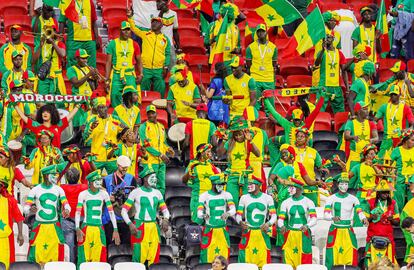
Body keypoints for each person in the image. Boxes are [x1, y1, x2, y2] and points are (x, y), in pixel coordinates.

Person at [121, 168, 170, 265]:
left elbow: (165, 210)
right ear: (145, 178)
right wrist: (130, 224)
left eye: (155, 177)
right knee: (138, 258)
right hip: (139, 226)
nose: (155, 179)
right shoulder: (135, 192)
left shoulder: (158, 193)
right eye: (152, 177)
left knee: (154, 258)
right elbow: (123, 211)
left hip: (153, 227)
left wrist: (166, 219)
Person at [24, 165, 71, 265]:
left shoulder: (59, 189)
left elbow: (66, 204)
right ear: (46, 175)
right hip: (40, 226)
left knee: (56, 252)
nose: (55, 176)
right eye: (53, 174)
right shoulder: (35, 190)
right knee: (37, 252)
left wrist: (67, 209)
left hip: (54, 226)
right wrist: (30, 209)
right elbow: (26, 208)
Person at [76, 170, 121, 266]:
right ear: (91, 182)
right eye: (97, 179)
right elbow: (78, 212)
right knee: (83, 257)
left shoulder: (104, 194)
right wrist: (77, 228)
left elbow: (111, 212)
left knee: (100, 257)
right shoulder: (83, 194)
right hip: (86, 228)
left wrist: (115, 229)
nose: (100, 182)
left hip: (99, 228)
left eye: (100, 179)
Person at [324, 173, 369, 269]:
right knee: (333, 252)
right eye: (342, 183)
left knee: (350, 251)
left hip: (348, 230)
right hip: (335, 229)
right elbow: (326, 214)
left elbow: (359, 211)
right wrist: (332, 217)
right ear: (338, 184)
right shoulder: (331, 198)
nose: (344, 186)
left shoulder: (353, 199)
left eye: (346, 183)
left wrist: (363, 218)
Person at [127, 9, 170, 98]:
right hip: (146, 68)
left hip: (159, 70)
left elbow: (167, 54)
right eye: (152, 22)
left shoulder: (165, 39)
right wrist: (130, 17)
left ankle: (159, 108)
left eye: (156, 22)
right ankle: (143, 105)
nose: (154, 24)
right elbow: (134, 28)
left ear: (161, 25)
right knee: (143, 91)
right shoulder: (145, 34)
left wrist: (165, 67)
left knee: (160, 91)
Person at [217, 118, 260, 206]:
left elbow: (258, 154)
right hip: (232, 175)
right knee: (232, 200)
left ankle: (244, 217)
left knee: (247, 200)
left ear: (244, 133)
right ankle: (233, 218)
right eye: (235, 135)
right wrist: (224, 140)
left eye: (240, 134)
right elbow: (219, 154)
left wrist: (250, 141)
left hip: (245, 175)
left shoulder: (248, 142)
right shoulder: (229, 143)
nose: (238, 137)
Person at [236, 177, 276, 268]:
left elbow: (274, 216)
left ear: (258, 185)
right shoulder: (244, 197)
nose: (248, 186)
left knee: (263, 259)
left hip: (262, 232)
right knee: (245, 260)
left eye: (251, 184)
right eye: (248, 184)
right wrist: (240, 222)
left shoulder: (268, 198)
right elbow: (238, 215)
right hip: (248, 232)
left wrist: (268, 224)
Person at [278, 178, 317, 268]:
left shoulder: (308, 202)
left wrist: (307, 225)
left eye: (292, 187)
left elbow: (314, 218)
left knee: (304, 260)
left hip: (303, 234)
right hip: (290, 234)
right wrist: (282, 226)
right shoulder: (285, 202)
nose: (289, 189)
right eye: (289, 187)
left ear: (299, 188)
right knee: (288, 259)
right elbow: (280, 219)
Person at [197, 174, 235, 263]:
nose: (221, 186)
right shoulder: (204, 195)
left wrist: (228, 213)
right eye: (219, 185)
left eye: (222, 185)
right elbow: (199, 212)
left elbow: (233, 209)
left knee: (224, 255)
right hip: (209, 229)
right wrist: (203, 215)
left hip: (222, 229)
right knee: (206, 254)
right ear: (213, 184)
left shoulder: (227, 194)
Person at [105, 21, 143, 108]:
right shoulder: (113, 43)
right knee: (114, 95)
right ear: (120, 31)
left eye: (128, 30)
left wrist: (141, 74)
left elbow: (139, 61)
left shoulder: (134, 44)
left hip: (129, 74)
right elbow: (108, 62)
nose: (126, 32)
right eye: (124, 30)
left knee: (133, 95)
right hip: (116, 74)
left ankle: (132, 115)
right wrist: (107, 79)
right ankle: (117, 115)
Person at [139, 105, 174, 196]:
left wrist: (168, 149)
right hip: (150, 161)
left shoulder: (161, 126)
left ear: (156, 114)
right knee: (150, 185)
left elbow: (164, 142)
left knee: (161, 185)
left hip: (161, 162)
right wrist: (160, 155)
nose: (150, 115)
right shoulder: (144, 127)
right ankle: (150, 204)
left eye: (152, 113)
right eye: (148, 113)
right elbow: (146, 145)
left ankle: (160, 205)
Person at [83, 97, 124, 174]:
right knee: (94, 179)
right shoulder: (92, 121)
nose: (101, 110)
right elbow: (84, 137)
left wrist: (119, 139)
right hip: (97, 157)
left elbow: (126, 130)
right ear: (97, 110)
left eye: (103, 107)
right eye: (99, 108)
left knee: (114, 180)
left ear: (107, 107)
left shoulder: (115, 119)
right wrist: (91, 128)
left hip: (112, 157)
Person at [102, 155, 137, 245]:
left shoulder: (131, 179)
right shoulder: (106, 179)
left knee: (126, 245)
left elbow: (136, 197)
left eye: (126, 167)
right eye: (122, 167)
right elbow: (101, 196)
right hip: (110, 217)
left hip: (126, 217)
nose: (125, 169)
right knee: (111, 244)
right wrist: (107, 197)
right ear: (117, 165)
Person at [365, 180, 400, 267]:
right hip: (372, 236)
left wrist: (391, 220)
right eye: (383, 193)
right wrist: (371, 218)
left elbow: (397, 222)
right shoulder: (370, 202)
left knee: (389, 263)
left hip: (388, 237)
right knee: (371, 262)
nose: (386, 195)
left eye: (387, 193)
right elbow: (364, 221)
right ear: (378, 193)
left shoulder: (393, 203)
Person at [14, 103, 81, 148]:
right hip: (40, 159)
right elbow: (23, 117)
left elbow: (70, 116)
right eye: (43, 112)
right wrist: (15, 105)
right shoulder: (36, 125)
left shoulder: (58, 125)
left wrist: (78, 105)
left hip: (55, 158)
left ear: (52, 114)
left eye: (48, 112)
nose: (45, 113)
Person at [375, 85, 414, 159]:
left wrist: (408, 129)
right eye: (391, 94)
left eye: (395, 94)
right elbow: (375, 119)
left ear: (399, 94)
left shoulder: (405, 107)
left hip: (400, 139)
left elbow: (412, 123)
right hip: (387, 138)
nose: (393, 96)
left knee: (399, 160)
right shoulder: (384, 107)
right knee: (381, 160)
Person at [183, 144, 220, 222]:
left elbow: (218, 178)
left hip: (210, 199)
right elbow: (184, 180)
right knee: (197, 223)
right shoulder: (193, 164)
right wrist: (188, 174)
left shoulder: (210, 165)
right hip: (198, 199)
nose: (210, 153)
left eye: (211, 151)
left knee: (210, 224)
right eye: (208, 151)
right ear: (201, 152)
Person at [58, 0, 100, 67]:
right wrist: (60, 37)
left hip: (89, 41)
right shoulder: (67, 2)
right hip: (73, 41)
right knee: (72, 67)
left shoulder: (90, 2)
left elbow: (94, 21)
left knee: (91, 67)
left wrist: (97, 38)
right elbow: (62, 21)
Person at [245, 24, 277, 110]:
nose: (260, 33)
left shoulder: (273, 47)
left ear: (266, 32)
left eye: (262, 31)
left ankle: (270, 122)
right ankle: (254, 121)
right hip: (255, 78)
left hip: (268, 79)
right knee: (255, 103)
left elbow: (274, 64)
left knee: (270, 106)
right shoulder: (250, 47)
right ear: (256, 33)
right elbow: (248, 64)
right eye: (258, 32)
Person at [314, 33, 349, 113]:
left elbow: (344, 70)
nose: (327, 39)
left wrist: (347, 88)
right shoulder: (322, 52)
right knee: (318, 110)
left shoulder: (339, 53)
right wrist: (323, 50)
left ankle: (340, 125)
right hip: (324, 85)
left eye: (329, 37)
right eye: (325, 38)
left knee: (340, 111)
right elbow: (316, 64)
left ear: (333, 39)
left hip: (336, 86)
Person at [293, 127, 328, 206]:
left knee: (313, 210)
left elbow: (320, 167)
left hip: (310, 186)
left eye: (302, 136)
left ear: (307, 138)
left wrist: (324, 169)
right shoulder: (291, 150)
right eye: (298, 136)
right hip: (294, 186)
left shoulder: (313, 152)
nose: (299, 138)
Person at [60, 168, 88, 263]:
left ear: (67, 178)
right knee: (83, 244)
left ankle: (71, 266)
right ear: (78, 177)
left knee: (69, 245)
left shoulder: (62, 188)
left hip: (68, 220)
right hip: (82, 219)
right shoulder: (85, 187)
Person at [348, 144, 380, 226]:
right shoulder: (357, 167)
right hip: (362, 195)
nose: (374, 156)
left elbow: (381, 176)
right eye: (371, 154)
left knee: (376, 217)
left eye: (374, 154)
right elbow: (347, 176)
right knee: (359, 216)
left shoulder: (377, 166)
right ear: (366, 156)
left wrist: (373, 166)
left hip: (375, 195)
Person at [67, 49, 98, 129]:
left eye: (86, 58)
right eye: (83, 58)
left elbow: (95, 87)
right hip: (78, 101)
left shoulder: (89, 69)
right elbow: (76, 84)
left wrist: (95, 78)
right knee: (77, 126)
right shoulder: (71, 69)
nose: (85, 60)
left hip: (89, 101)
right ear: (77, 59)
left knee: (88, 125)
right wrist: (88, 75)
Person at [33, 21, 67, 96]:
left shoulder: (59, 43)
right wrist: (40, 46)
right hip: (43, 77)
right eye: (46, 30)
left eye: (51, 30)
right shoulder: (41, 45)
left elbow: (62, 54)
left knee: (58, 102)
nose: (48, 32)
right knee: (43, 102)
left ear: (55, 32)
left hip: (56, 77)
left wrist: (53, 42)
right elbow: (34, 61)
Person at [344, 101, 379, 170]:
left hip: (368, 157)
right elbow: (346, 136)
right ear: (358, 111)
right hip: (355, 156)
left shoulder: (371, 123)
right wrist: (353, 137)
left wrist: (372, 140)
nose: (367, 111)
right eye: (364, 109)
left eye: (367, 109)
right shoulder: (350, 123)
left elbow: (376, 138)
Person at [0, 177, 24, 270]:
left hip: (7, 237)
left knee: (7, 263)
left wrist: (21, 234)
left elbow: (18, 217)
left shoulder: (10, 200)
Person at [209, 4, 240, 73]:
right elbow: (206, 43)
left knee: (229, 82)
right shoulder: (215, 26)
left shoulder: (236, 28)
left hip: (231, 61)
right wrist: (214, 39)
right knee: (219, 82)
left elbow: (239, 44)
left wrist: (237, 49)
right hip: (218, 59)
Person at [313, 11, 342, 87]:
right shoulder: (321, 31)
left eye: (335, 21)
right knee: (319, 91)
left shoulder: (337, 35)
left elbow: (338, 50)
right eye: (331, 20)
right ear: (325, 21)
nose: (333, 22)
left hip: (332, 66)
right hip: (320, 64)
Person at [243, 106, 268, 186]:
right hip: (257, 165)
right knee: (258, 188)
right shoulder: (263, 133)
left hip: (244, 164)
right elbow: (266, 149)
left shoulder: (241, 132)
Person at [391, 129, 414, 212]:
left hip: (413, 180)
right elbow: (388, 164)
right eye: (412, 140)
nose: (413, 142)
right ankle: (398, 218)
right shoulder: (397, 150)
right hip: (400, 179)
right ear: (405, 141)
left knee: (412, 201)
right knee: (399, 201)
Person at [156, 0, 180, 67]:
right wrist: (161, 13)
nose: (160, 4)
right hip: (157, 45)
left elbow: (175, 31)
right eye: (159, 2)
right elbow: (155, 28)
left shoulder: (173, 14)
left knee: (173, 67)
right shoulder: (154, 14)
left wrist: (178, 47)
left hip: (170, 45)